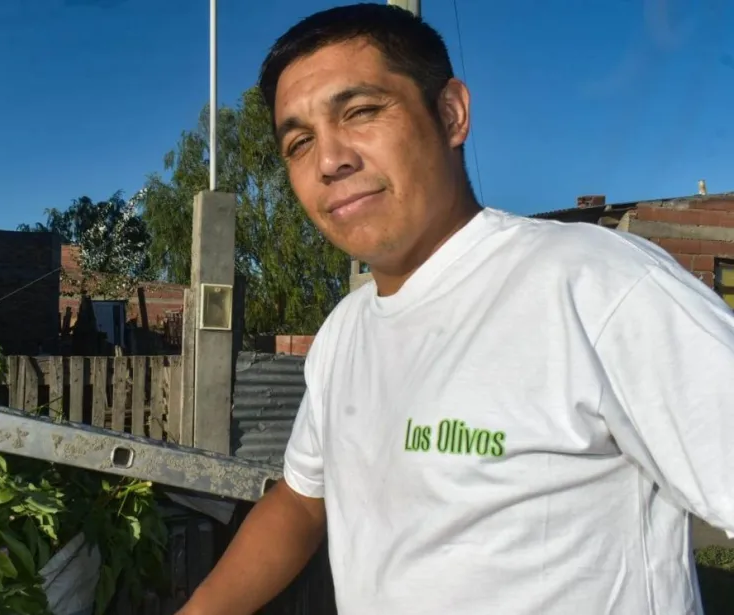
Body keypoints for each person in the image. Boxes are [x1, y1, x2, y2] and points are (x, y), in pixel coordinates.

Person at [178, 3, 734, 615]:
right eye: (299, 142)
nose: (329, 160)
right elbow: (305, 500)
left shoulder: (597, 287)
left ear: (450, 114)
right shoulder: (345, 333)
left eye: (360, 112)